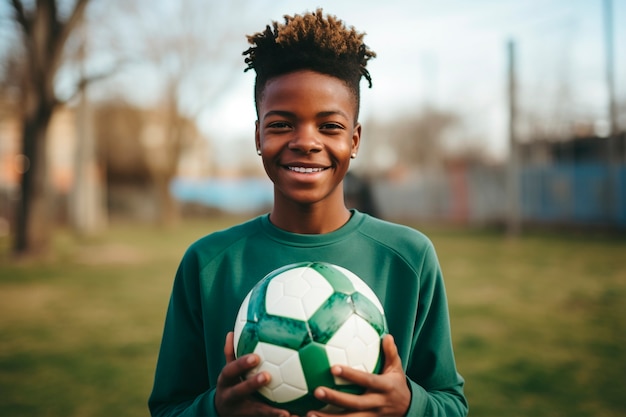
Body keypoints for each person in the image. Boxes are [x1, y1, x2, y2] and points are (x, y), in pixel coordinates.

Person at [148, 9, 468, 417]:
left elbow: (451, 404)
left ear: (354, 140)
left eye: (329, 126)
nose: (306, 142)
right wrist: (215, 409)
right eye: (282, 125)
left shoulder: (408, 258)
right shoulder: (209, 264)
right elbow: (168, 408)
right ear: (258, 137)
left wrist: (408, 405)